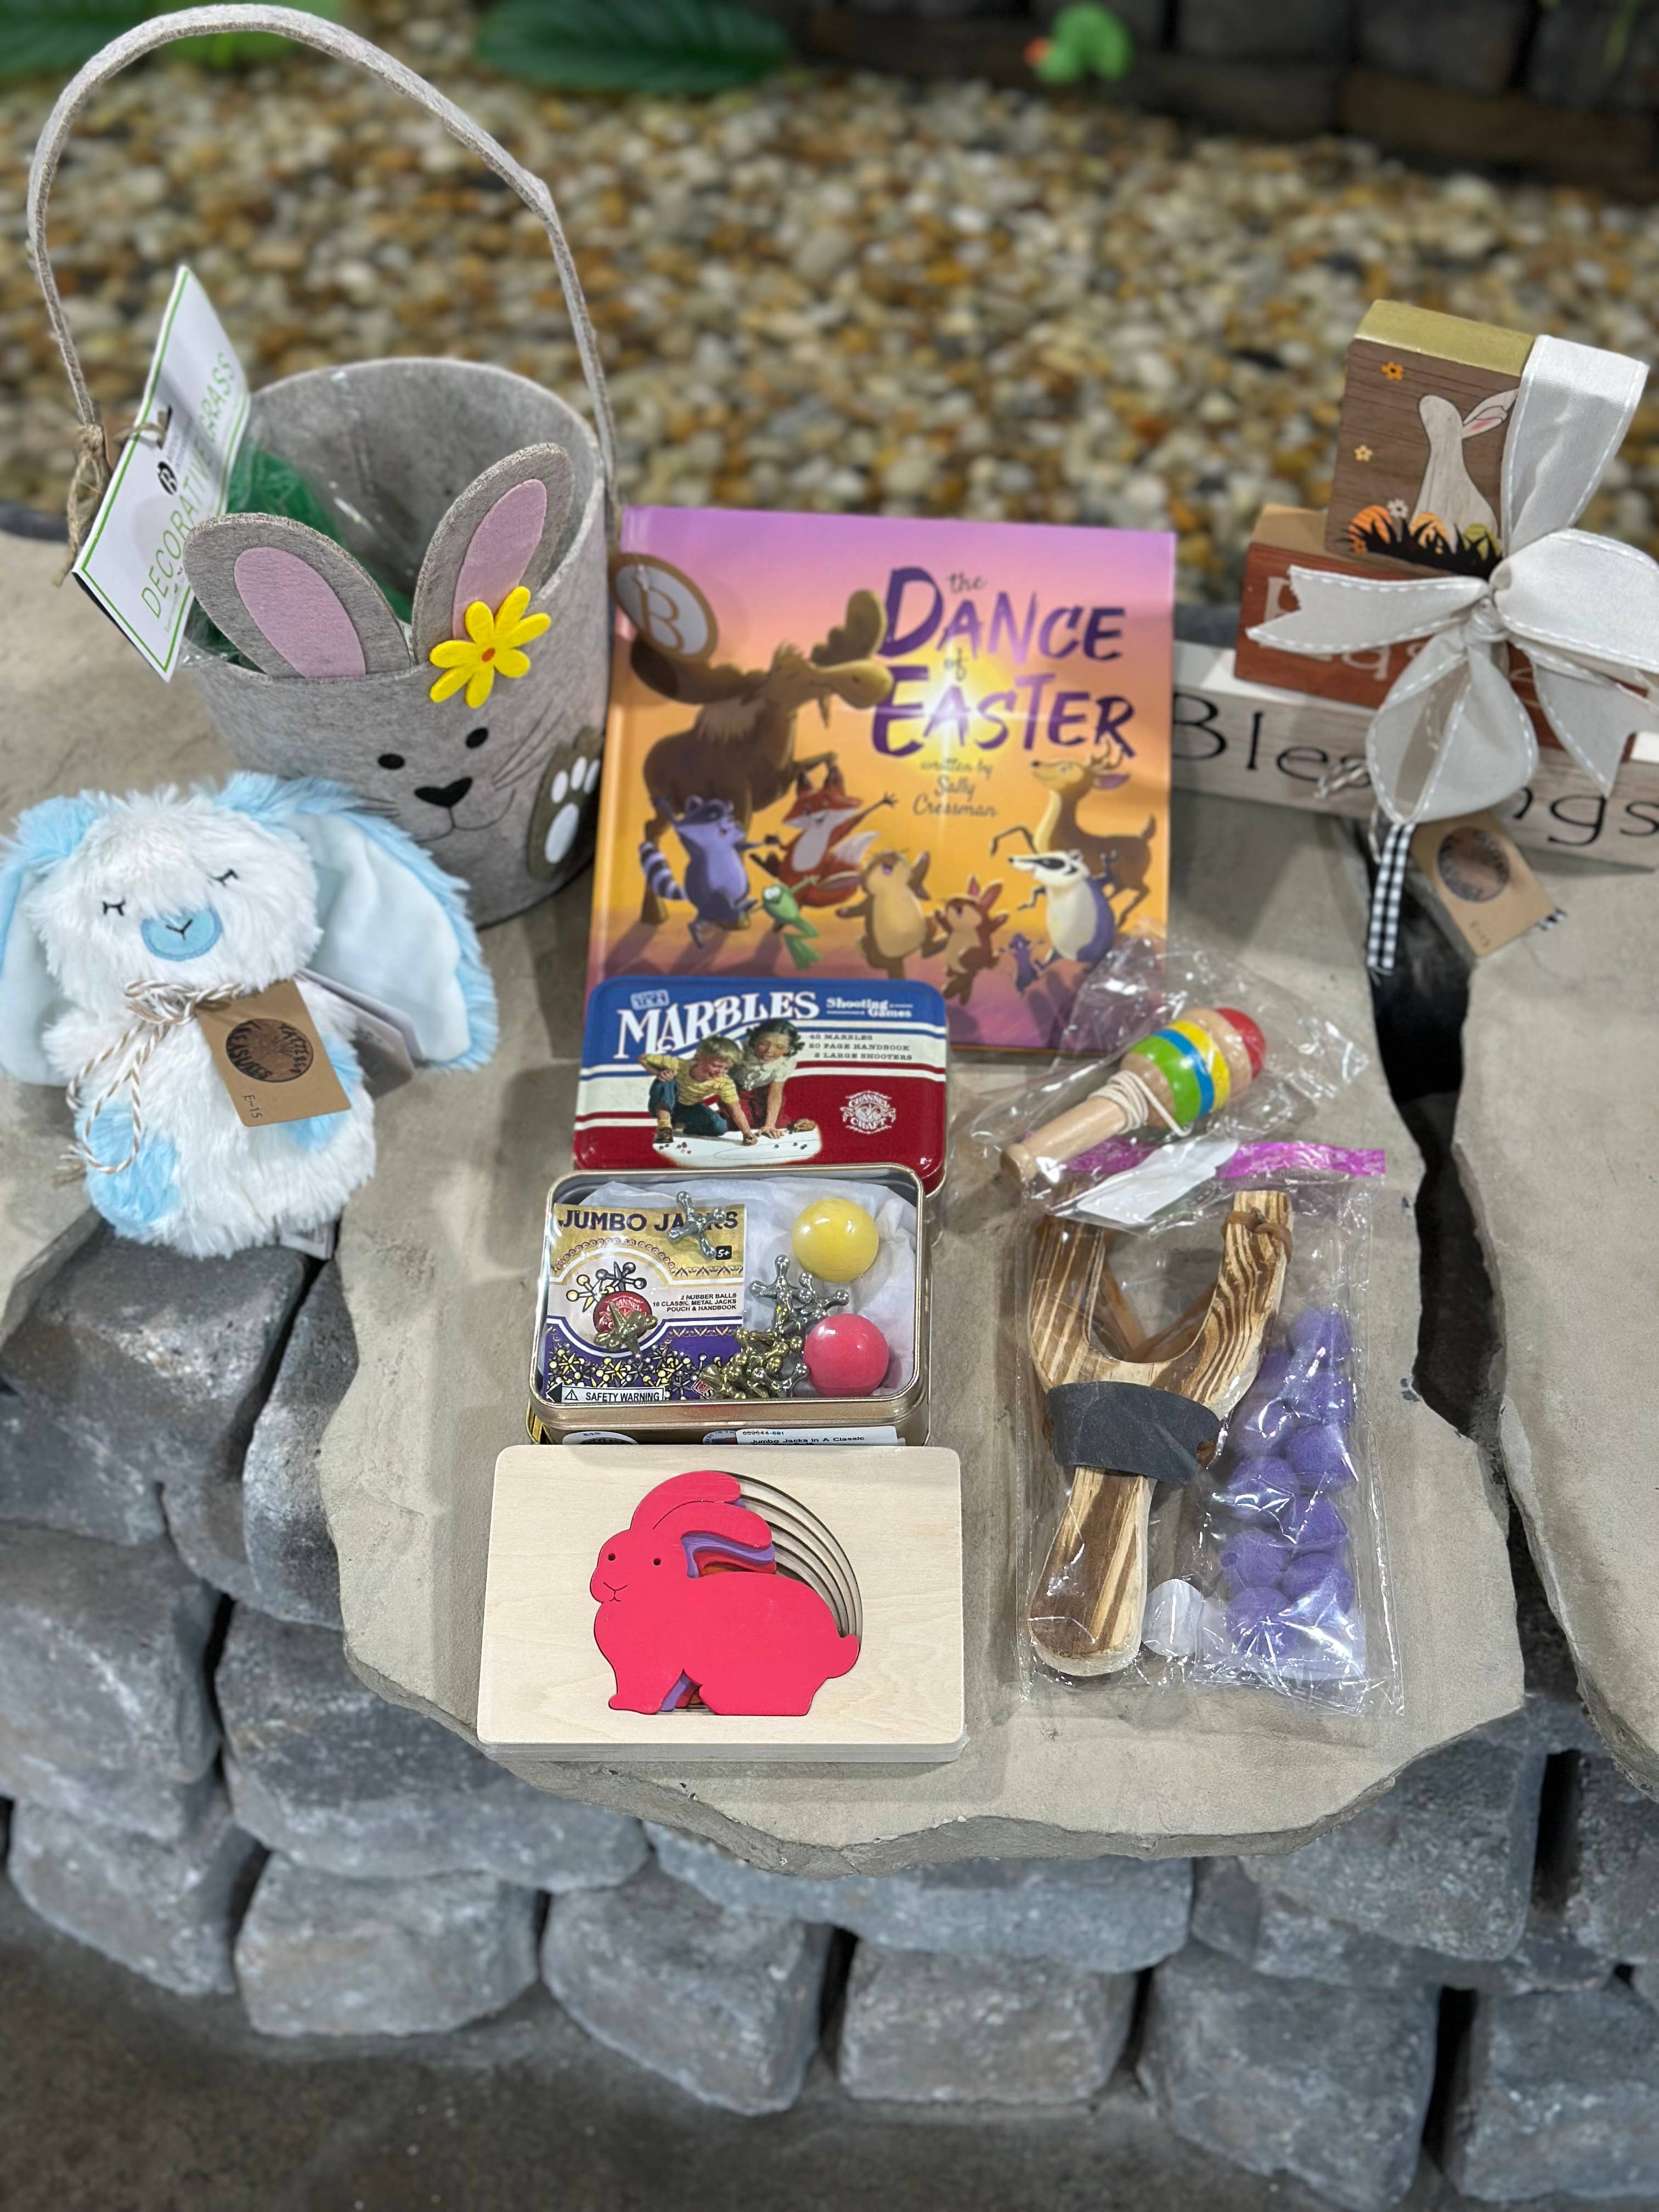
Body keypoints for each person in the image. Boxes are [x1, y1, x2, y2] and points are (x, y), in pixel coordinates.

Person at [640, 1035, 757, 1145]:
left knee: (719, 1127)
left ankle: (679, 1124)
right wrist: (659, 1073)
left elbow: (736, 1111)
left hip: (689, 1109)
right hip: (665, 1103)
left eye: (726, 1068)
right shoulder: (678, 1065)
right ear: (698, 1057)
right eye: (716, 1065)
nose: (720, 1072)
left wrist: (747, 1134)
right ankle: (664, 1127)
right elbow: (643, 1059)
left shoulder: (725, 1083)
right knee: (667, 1080)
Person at [730, 1018, 811, 1139]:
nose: (769, 1051)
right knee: (741, 1123)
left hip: (764, 1094)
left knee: (777, 1126)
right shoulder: (740, 1050)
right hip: (734, 1092)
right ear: (755, 1040)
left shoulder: (785, 1062)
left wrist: (770, 1125)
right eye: (764, 1044)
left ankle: (800, 1124)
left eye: (779, 1046)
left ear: (788, 1049)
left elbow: (775, 1093)